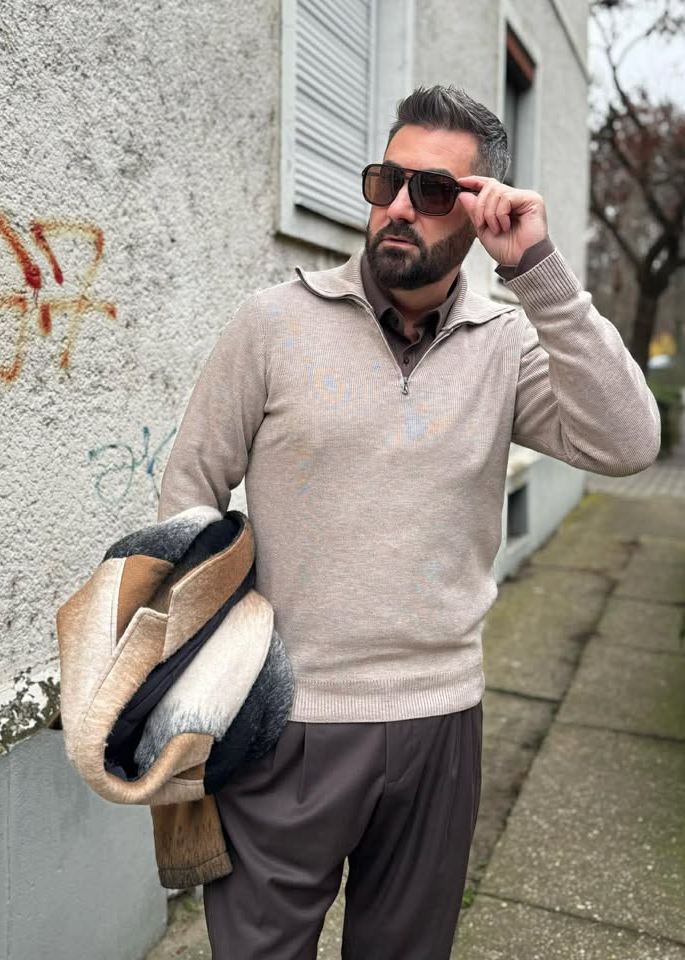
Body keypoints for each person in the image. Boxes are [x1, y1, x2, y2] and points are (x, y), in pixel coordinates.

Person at [156, 85, 660, 959]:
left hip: (440, 724)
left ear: (479, 211)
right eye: (387, 180)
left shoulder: (507, 345)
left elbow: (628, 441)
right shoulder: (272, 324)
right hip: (281, 721)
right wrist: (210, 680)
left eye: (430, 191)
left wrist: (540, 274)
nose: (397, 206)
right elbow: (191, 491)